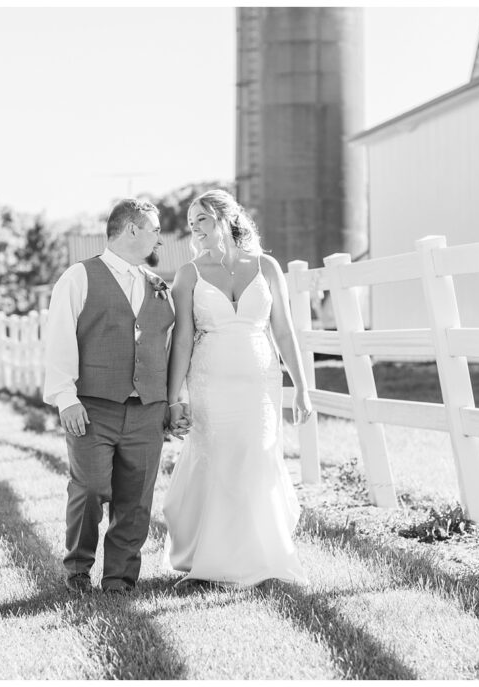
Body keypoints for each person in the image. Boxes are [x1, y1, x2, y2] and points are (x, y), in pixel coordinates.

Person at [162, 189, 313, 588]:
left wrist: (302, 387)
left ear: (225, 219)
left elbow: (283, 329)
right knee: (219, 460)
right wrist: (174, 397)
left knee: (256, 459)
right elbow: (181, 340)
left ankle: (262, 557)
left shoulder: (266, 267)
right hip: (210, 381)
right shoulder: (188, 274)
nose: (195, 230)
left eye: (202, 220)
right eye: (191, 223)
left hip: (259, 383)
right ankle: (208, 564)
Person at [43, 198, 185, 594]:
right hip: (92, 407)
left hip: (148, 410)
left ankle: (120, 578)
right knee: (88, 489)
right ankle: (77, 569)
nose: (160, 236)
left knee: (136, 499)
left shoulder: (159, 287)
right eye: (155, 229)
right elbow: (59, 338)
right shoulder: (79, 276)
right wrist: (65, 398)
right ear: (132, 229)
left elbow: (171, 349)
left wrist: (174, 401)